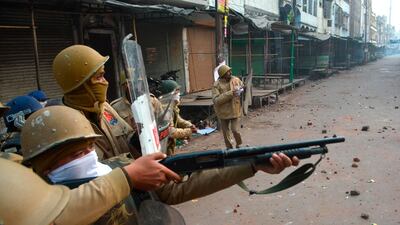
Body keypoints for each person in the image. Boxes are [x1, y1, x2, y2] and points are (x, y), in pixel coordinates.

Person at [21, 106, 300, 224]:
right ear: (44, 168)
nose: (85, 159)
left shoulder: (116, 168)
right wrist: (127, 178)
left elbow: (177, 188)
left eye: (88, 149)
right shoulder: (41, 211)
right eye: (72, 155)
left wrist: (251, 165)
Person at [52, 45, 139, 160]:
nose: (105, 82)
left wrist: (138, 138)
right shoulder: (65, 127)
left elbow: (127, 138)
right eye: (99, 77)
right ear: (81, 85)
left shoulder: (105, 108)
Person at [159, 80, 197, 155]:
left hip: (169, 143)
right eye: (176, 91)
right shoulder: (165, 110)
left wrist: (189, 125)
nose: (179, 94)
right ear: (169, 94)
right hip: (163, 146)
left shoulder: (171, 105)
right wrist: (188, 131)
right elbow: (171, 132)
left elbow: (178, 119)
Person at [212, 64, 244, 149]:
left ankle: (239, 144)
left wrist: (240, 90)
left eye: (230, 71)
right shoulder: (216, 85)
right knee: (226, 133)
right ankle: (229, 148)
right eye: (227, 72)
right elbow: (216, 100)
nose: (230, 73)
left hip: (235, 110)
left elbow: (241, 85)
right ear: (223, 74)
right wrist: (231, 93)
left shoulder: (235, 79)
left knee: (235, 130)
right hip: (223, 112)